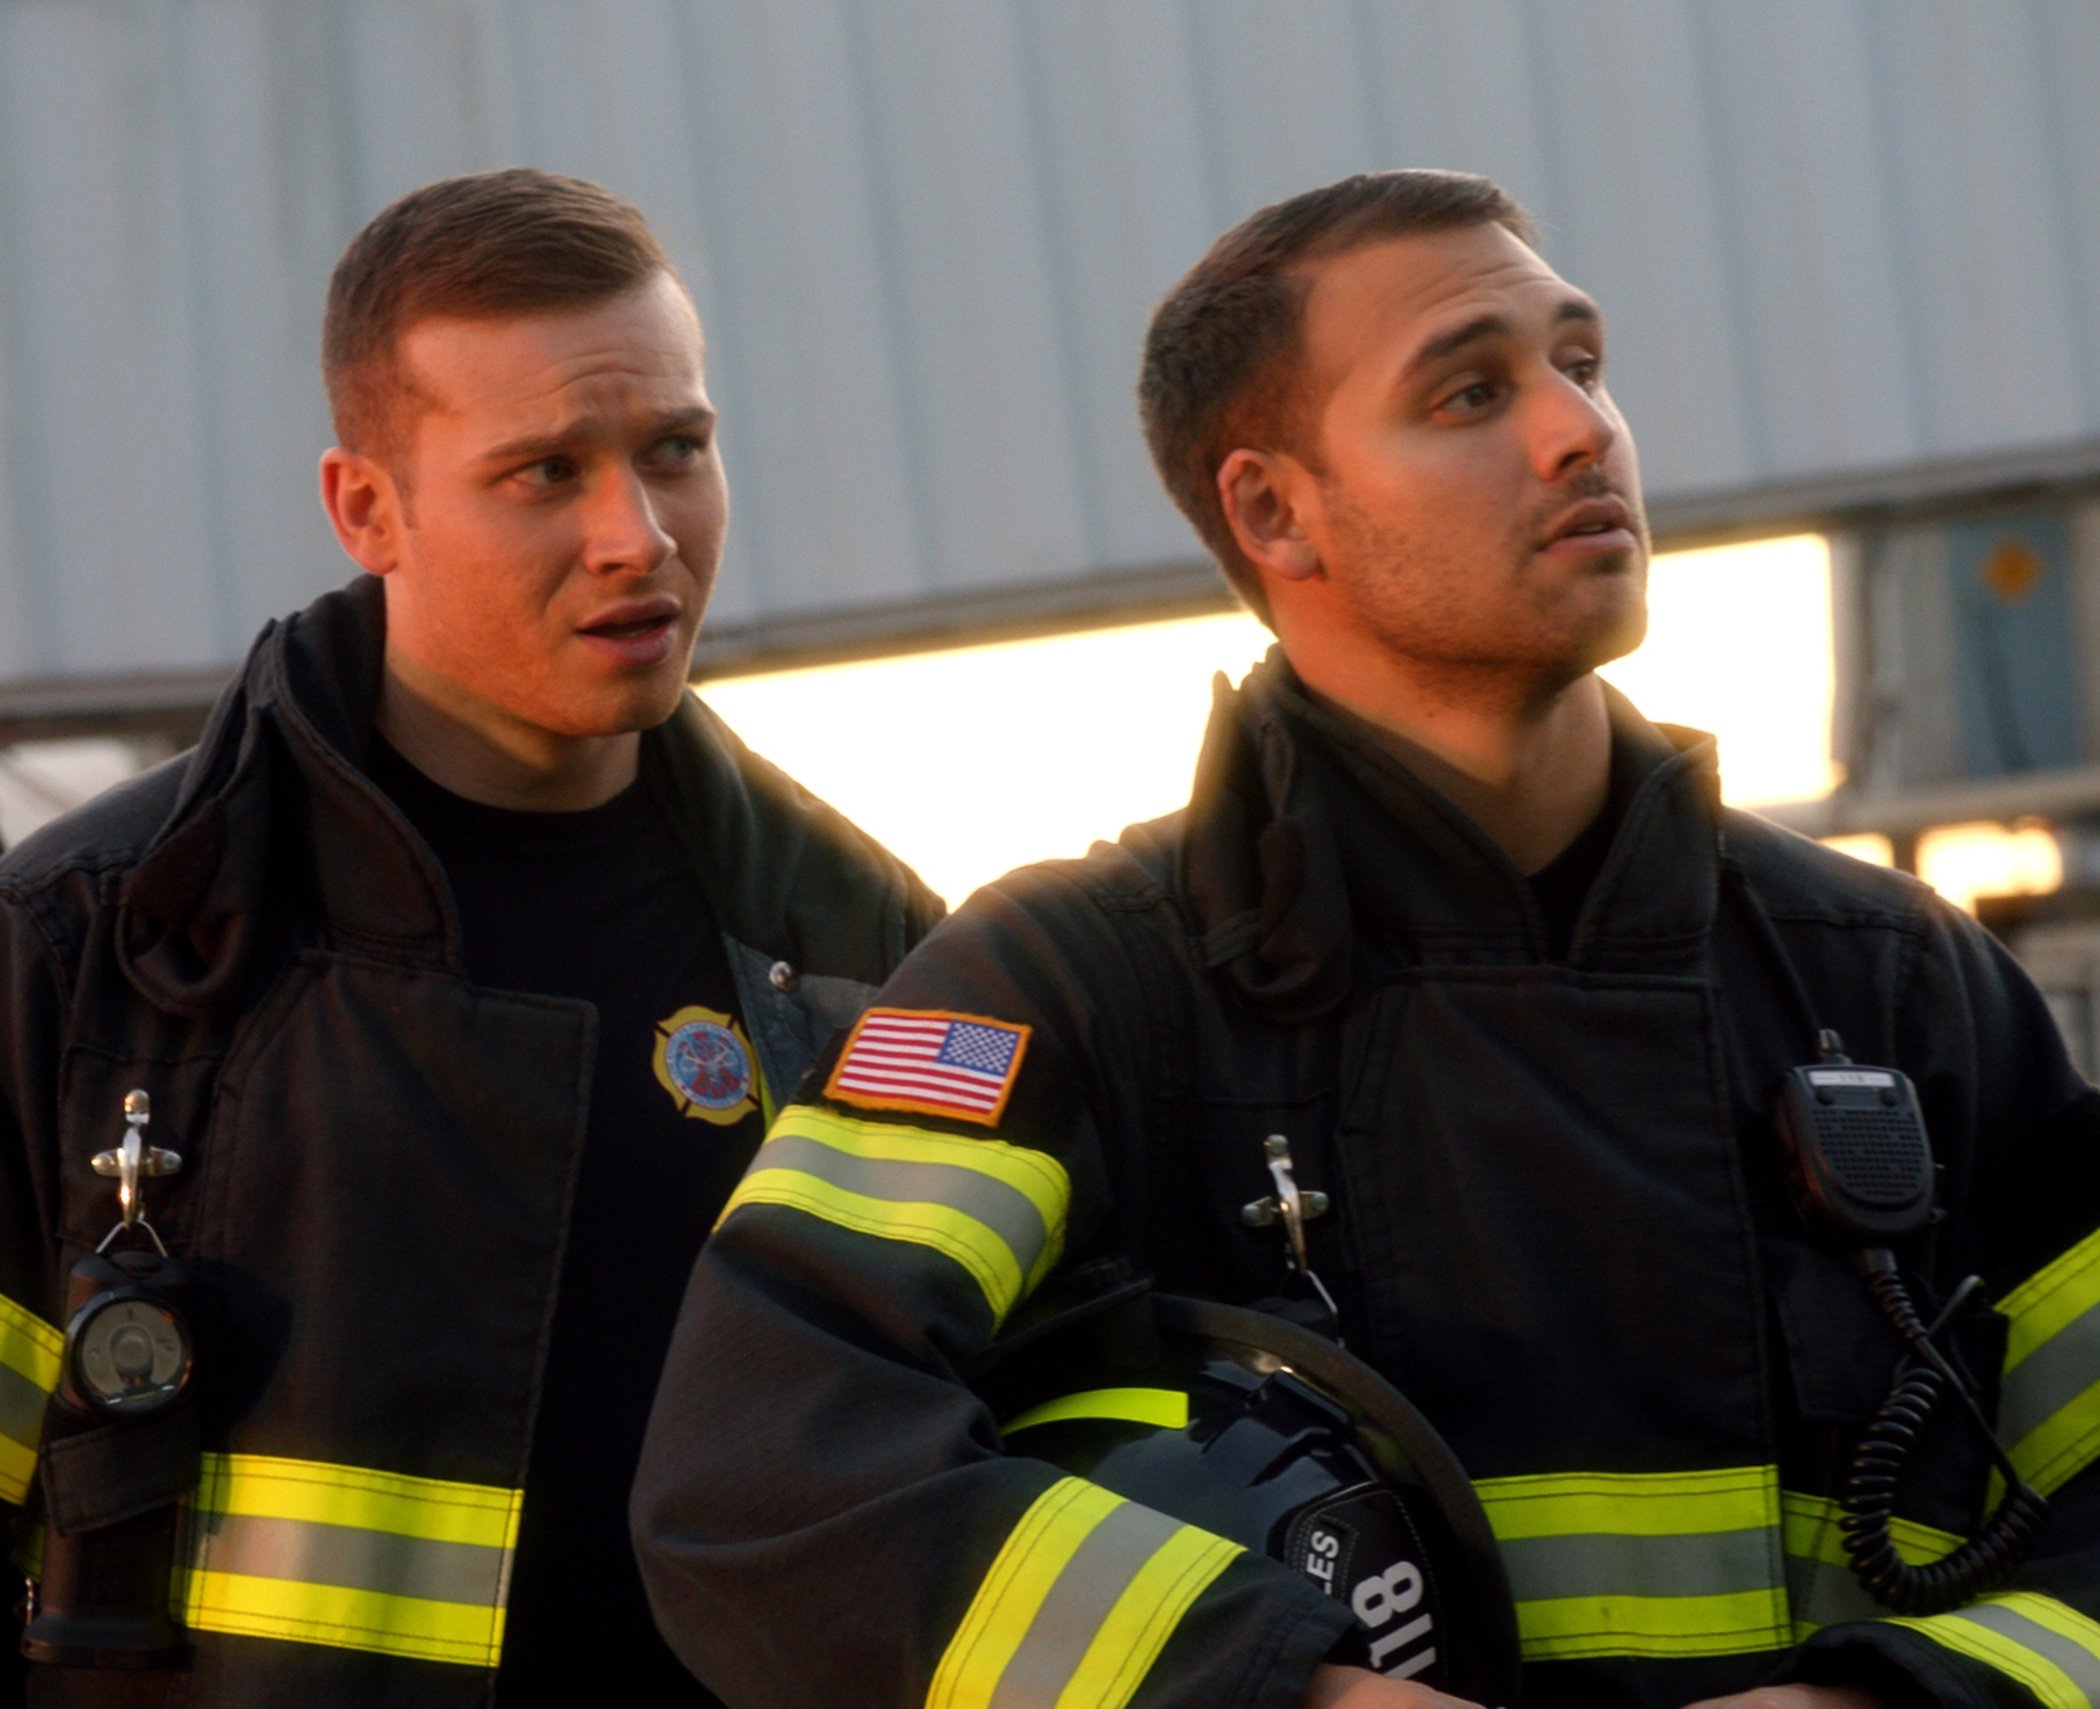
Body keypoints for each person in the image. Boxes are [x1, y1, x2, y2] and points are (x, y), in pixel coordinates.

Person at [632, 171, 2100, 1709]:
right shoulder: (1067, 992)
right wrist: (1286, 1688)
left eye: (1581, 363)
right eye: (1471, 392)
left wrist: (1879, 1701)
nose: (1580, 430)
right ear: (1274, 510)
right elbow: (765, 1477)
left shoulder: (1896, 984)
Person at [0, 167, 942, 1705]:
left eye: (676, 448)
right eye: (545, 471)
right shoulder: (93, 948)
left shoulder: (860, 942)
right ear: (368, 509)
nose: (638, 535)